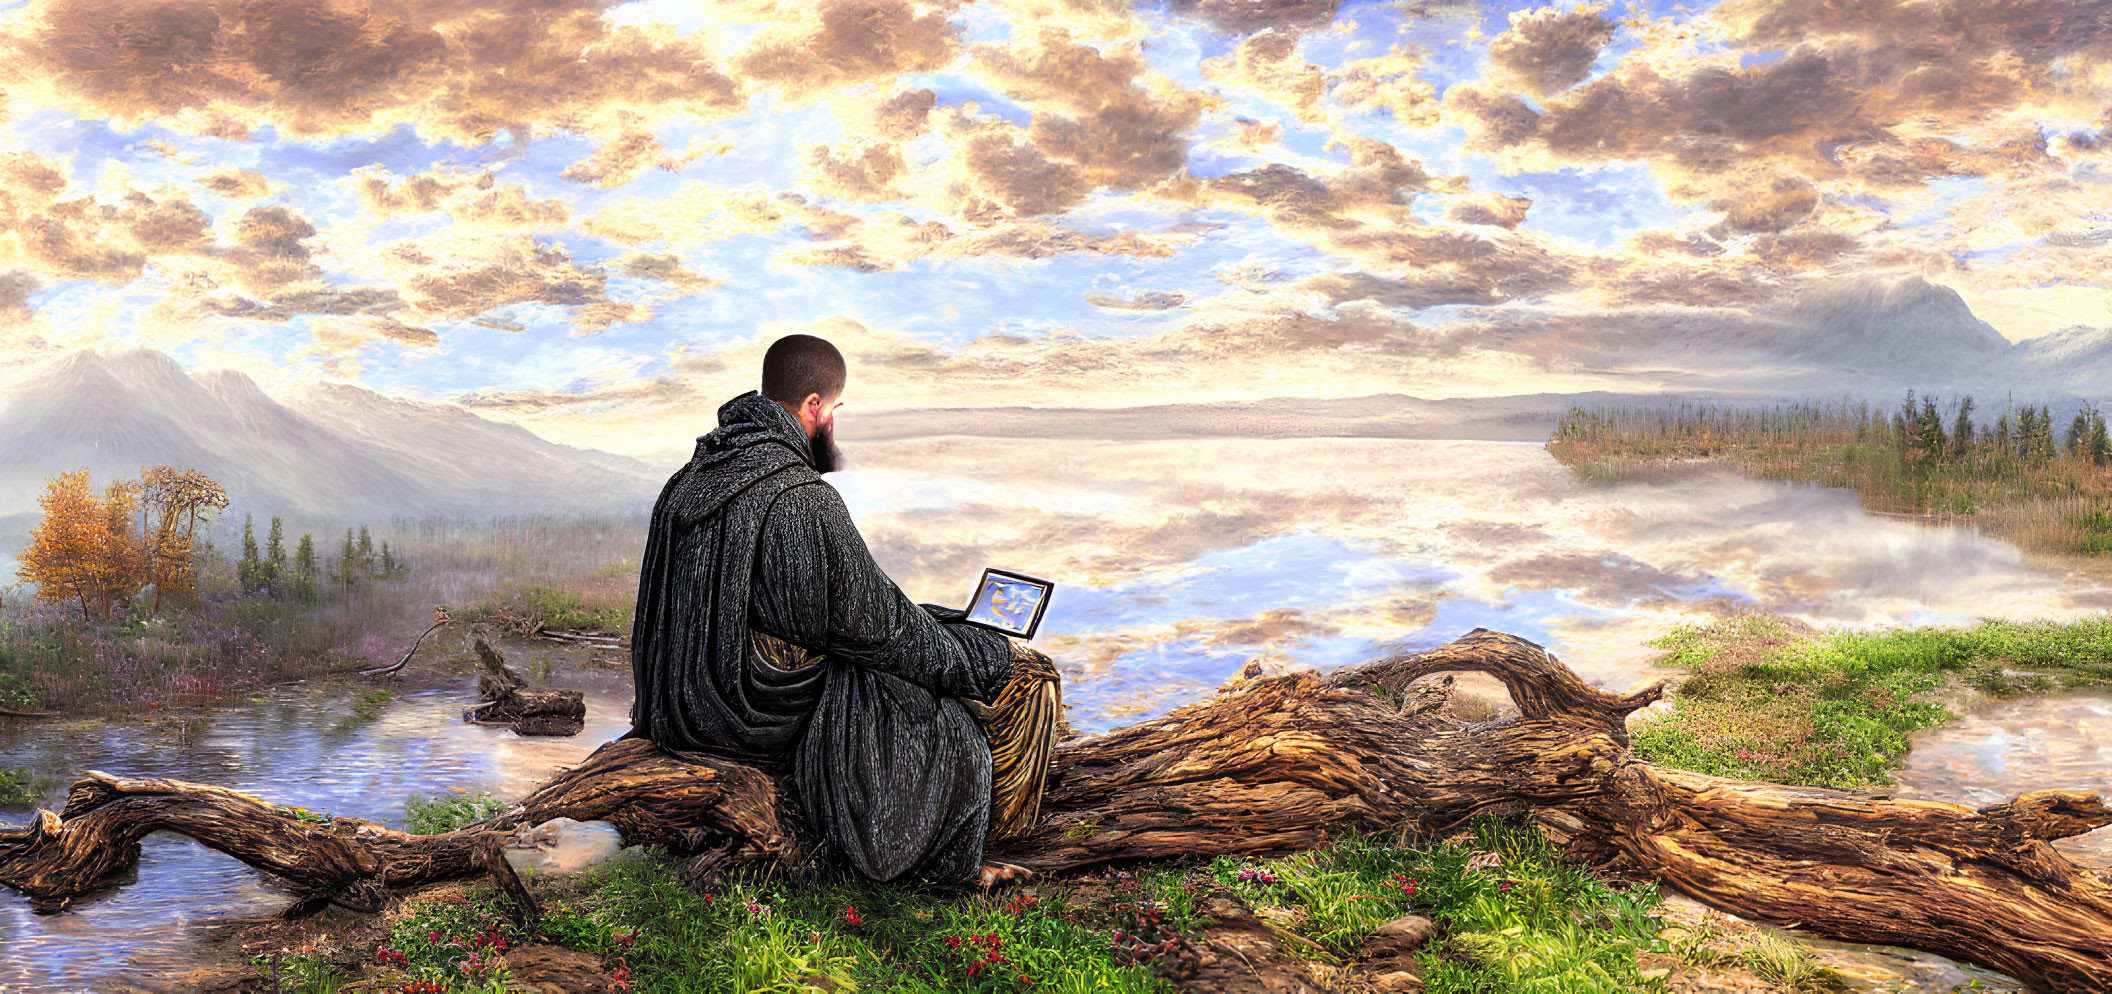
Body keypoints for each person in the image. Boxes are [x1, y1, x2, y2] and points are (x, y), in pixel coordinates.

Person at [626, 333, 1061, 888]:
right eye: (833, 410)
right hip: (745, 715)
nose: (831, 423)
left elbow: (837, 610)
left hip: (682, 704)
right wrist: (978, 657)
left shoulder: (689, 480)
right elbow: (875, 630)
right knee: (944, 724)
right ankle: (940, 870)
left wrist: (934, 622)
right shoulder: (801, 497)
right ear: (813, 406)